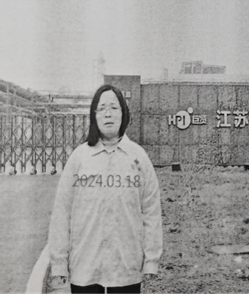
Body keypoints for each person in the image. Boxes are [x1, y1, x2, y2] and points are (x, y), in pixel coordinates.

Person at [48, 85, 163, 295]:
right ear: (94, 115)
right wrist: (59, 264)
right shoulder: (80, 158)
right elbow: (62, 213)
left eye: (114, 108)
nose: (108, 114)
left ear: (123, 113)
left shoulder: (138, 157)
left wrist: (151, 261)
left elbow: (151, 212)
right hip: (85, 267)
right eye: (102, 108)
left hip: (127, 268)